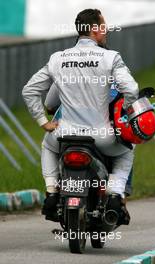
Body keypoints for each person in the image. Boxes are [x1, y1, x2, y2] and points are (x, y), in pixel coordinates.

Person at [22, 9, 139, 224]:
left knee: (47, 146)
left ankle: (51, 193)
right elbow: (131, 89)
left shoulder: (58, 58)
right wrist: (127, 115)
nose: (106, 31)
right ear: (94, 29)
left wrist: (43, 122)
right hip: (101, 137)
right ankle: (115, 196)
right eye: (103, 26)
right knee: (128, 148)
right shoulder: (110, 57)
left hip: (64, 135)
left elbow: (29, 90)